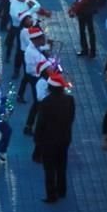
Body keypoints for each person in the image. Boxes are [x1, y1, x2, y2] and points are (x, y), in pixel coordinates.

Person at [34, 73, 75, 203]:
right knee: (62, 165)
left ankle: (51, 195)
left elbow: (40, 123)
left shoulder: (46, 103)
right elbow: (71, 118)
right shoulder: (69, 100)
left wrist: (37, 140)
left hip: (49, 141)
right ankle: (62, 190)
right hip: (64, 138)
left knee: (49, 168)